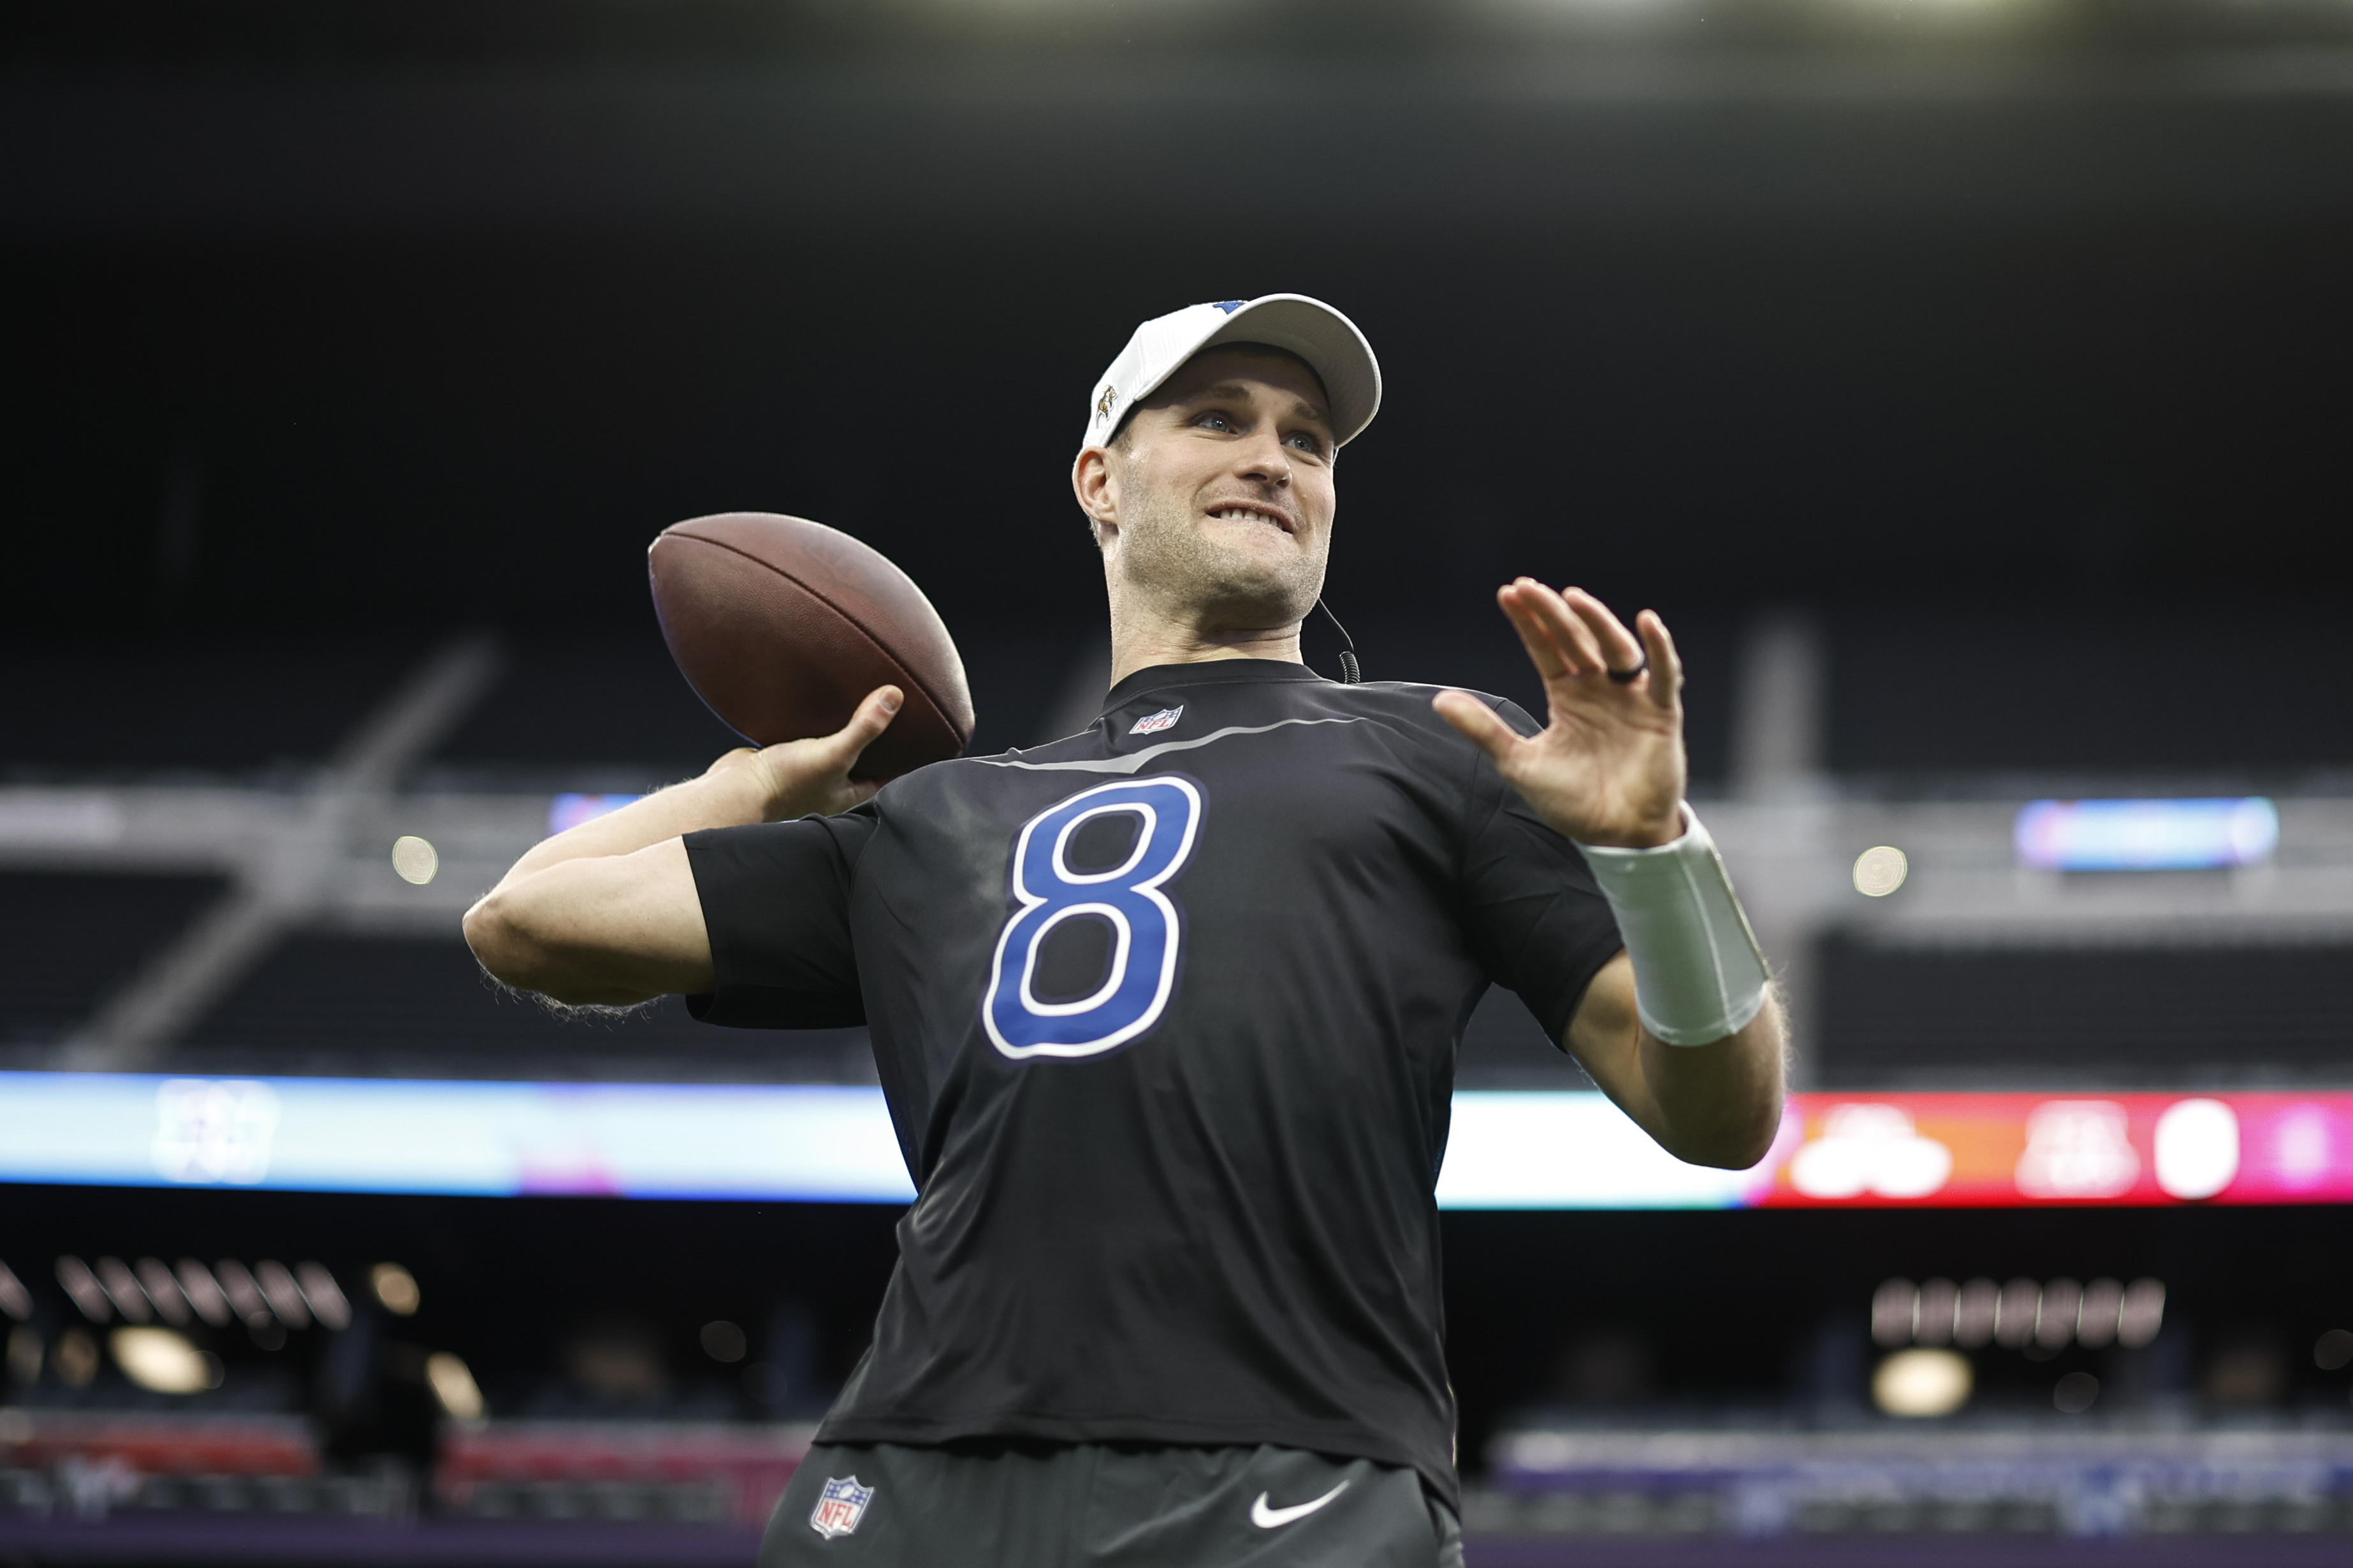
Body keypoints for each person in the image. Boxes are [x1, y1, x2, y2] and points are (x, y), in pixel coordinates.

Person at [465, 294, 1784, 1567]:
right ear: (1101, 479)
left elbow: (1720, 1118)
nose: (1273, 459)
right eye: (1219, 420)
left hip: (1290, 1475)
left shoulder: (1441, 752)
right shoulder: (941, 816)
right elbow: (526, 919)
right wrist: (754, 782)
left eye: (1306, 441)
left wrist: (1659, 854)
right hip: (914, 1469)